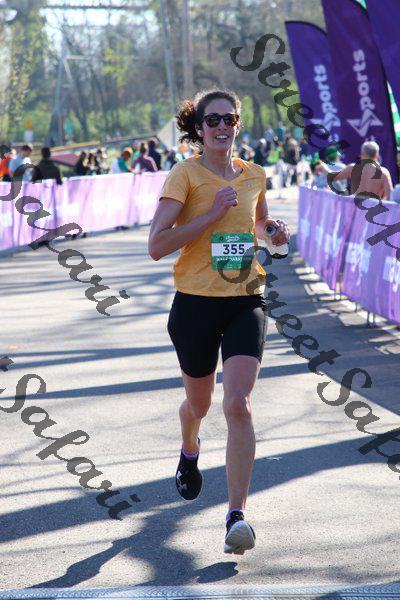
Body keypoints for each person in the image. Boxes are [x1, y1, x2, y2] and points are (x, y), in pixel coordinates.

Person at [148, 89, 290, 555]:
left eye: (230, 119)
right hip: (195, 304)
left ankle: (236, 516)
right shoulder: (184, 175)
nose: (222, 127)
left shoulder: (254, 174)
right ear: (199, 127)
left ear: (238, 124)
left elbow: (257, 225)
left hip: (245, 299)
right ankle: (190, 449)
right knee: (200, 404)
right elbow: (157, 244)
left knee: (238, 405)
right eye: (213, 120)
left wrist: (272, 234)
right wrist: (211, 215)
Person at [321, 141, 393, 200]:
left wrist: (322, 165)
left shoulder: (352, 168)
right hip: (373, 211)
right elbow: (390, 196)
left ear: (362, 154)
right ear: (377, 155)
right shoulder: (384, 173)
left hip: (355, 210)